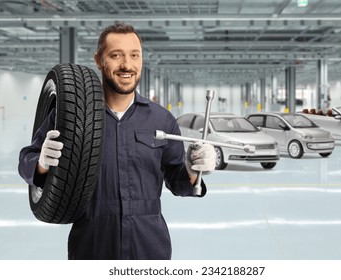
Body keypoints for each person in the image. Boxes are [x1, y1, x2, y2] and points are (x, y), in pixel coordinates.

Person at [18, 23, 216, 260]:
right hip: (92, 245)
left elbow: (178, 182)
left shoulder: (161, 118)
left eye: (135, 55)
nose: (127, 65)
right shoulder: (71, 116)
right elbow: (25, 160)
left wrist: (193, 170)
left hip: (149, 246)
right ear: (99, 60)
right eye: (116, 55)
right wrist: (42, 164)